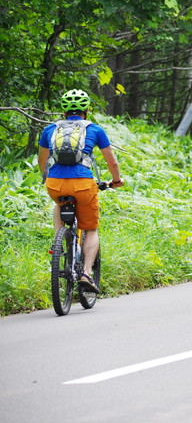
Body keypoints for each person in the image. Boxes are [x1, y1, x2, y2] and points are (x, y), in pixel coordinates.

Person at [38, 89, 124, 293]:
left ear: (64, 111)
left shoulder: (50, 129)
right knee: (90, 229)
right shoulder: (95, 130)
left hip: (55, 184)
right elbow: (111, 161)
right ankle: (86, 273)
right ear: (86, 110)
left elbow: (42, 160)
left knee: (58, 205)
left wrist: (46, 178)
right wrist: (116, 180)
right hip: (84, 185)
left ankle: (59, 243)